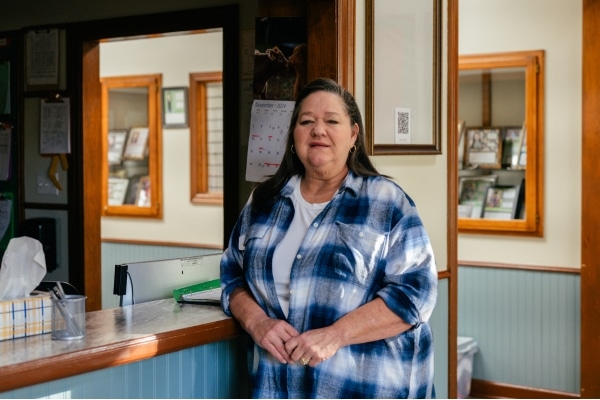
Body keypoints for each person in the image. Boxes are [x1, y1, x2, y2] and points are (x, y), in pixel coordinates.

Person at [220, 78, 438, 398]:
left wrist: (336, 335)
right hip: (279, 385)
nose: (318, 130)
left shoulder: (386, 201)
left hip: (369, 386)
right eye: (306, 121)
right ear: (293, 136)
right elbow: (231, 274)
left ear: (353, 135)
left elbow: (416, 294)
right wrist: (256, 322)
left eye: (331, 121)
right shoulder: (263, 201)